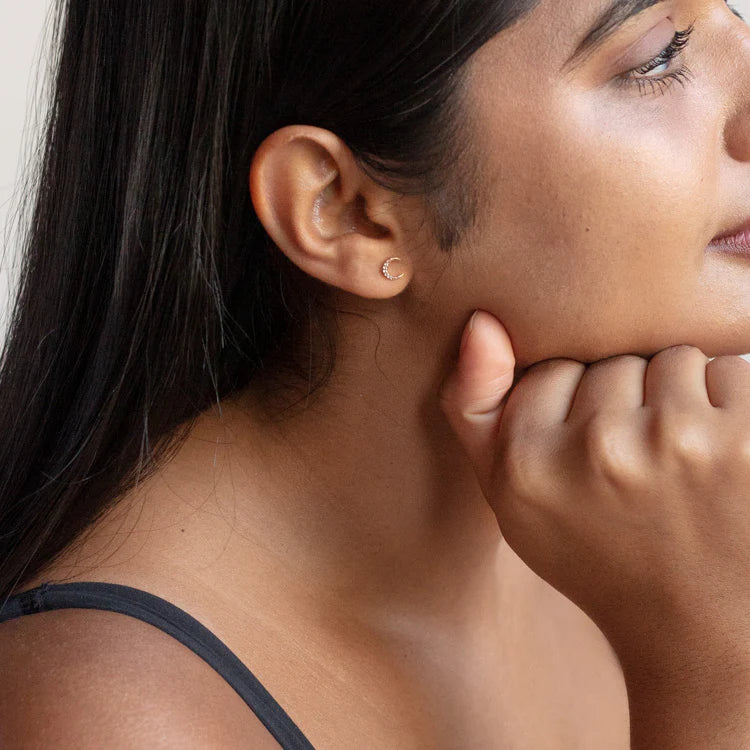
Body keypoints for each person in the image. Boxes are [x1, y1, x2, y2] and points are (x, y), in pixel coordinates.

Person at [0, 0, 749, 747]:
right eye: (658, 56)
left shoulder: (668, 515)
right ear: (346, 211)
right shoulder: (107, 718)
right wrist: (715, 677)